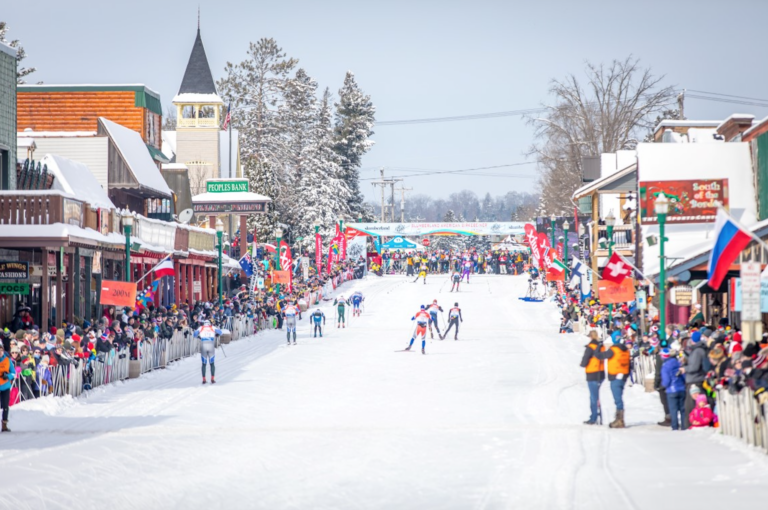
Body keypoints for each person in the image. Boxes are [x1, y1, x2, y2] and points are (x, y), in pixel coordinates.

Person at [595, 330, 630, 428]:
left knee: (617, 399)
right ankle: (619, 419)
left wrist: (598, 347)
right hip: (623, 376)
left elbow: (599, 356)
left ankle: (620, 420)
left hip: (615, 376)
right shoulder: (625, 350)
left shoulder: (614, 350)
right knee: (619, 398)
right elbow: (629, 365)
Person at [580, 330, 605, 425]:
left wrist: (583, 364)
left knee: (593, 397)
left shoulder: (590, 347)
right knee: (595, 395)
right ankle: (595, 415)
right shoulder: (601, 346)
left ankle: (594, 417)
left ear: (590, 337)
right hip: (601, 373)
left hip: (592, 373)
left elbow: (584, 361)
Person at [659, 347, 686, 431]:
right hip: (681, 388)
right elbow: (683, 375)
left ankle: (675, 427)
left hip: (671, 390)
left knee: (673, 410)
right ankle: (684, 426)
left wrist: (663, 386)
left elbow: (666, 380)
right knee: (682, 409)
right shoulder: (677, 363)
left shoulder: (665, 366)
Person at [195, 320, 221, 384]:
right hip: (211, 345)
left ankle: (204, 379)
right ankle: (212, 378)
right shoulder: (212, 327)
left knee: (204, 363)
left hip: (203, 345)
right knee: (212, 363)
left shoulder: (201, 328)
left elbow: (195, 334)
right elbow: (220, 332)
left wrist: (198, 336)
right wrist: (217, 334)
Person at [0, 342, 16, 432]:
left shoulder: (7, 360)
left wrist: (8, 376)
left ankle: (4, 425)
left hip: (5, 386)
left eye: (1, 350)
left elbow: (13, 372)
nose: (0, 352)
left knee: (5, 406)